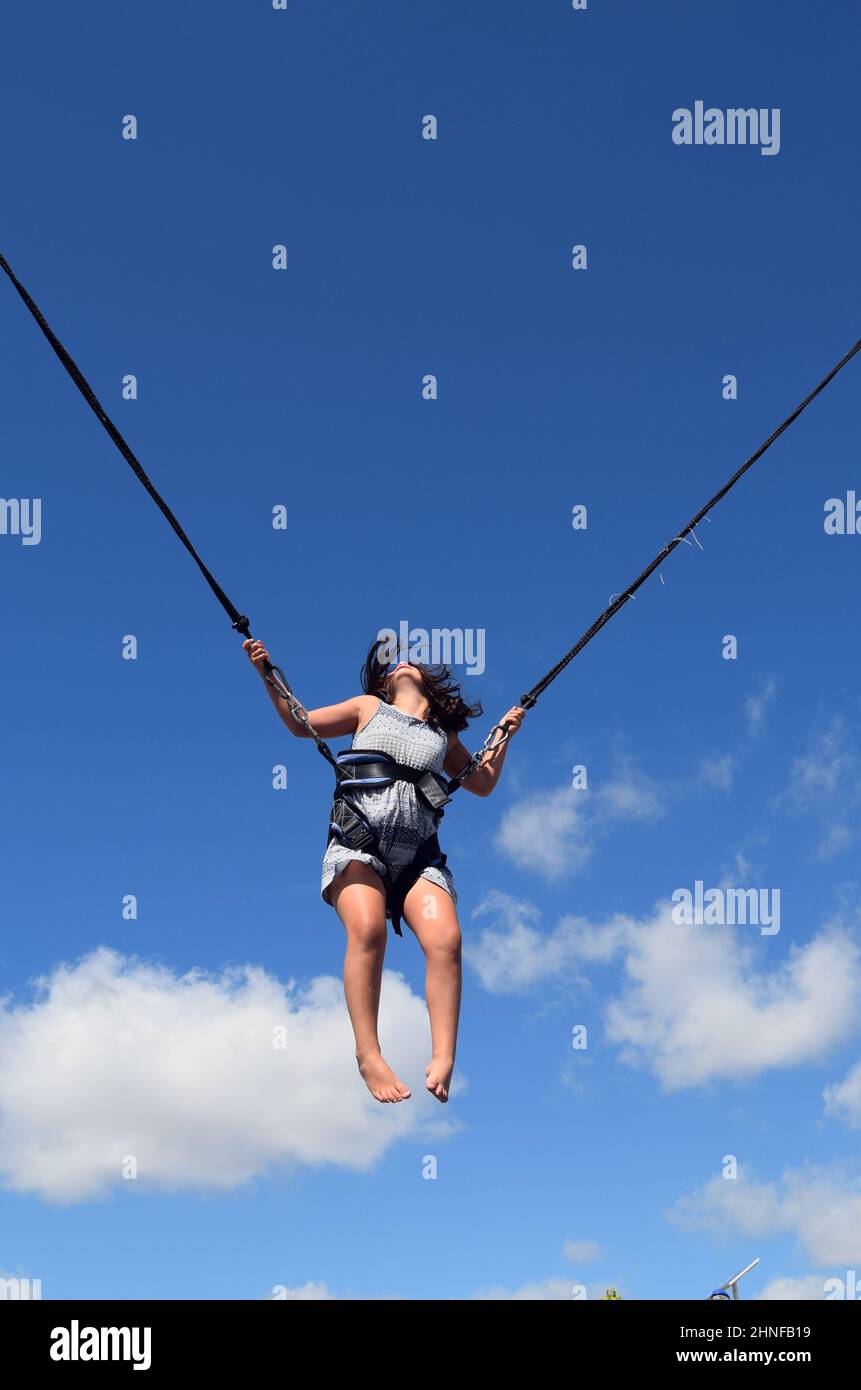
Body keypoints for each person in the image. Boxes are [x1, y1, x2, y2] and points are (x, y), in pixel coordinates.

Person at [244, 635, 524, 1105]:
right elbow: (302, 723)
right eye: (396, 662)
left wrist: (504, 737)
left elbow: (481, 782)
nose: (404, 662)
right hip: (359, 842)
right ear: (386, 679)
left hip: (418, 855)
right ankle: (368, 1053)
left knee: (446, 940)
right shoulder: (366, 706)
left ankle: (444, 1055)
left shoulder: (443, 734)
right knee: (369, 928)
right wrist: (266, 672)